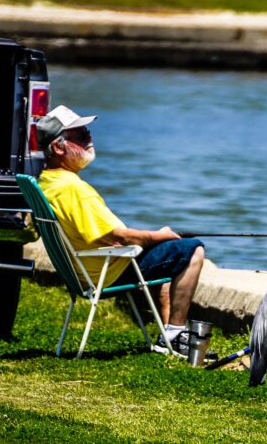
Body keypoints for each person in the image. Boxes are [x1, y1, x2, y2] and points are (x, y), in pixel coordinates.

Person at [36, 104, 205, 357]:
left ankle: (169, 337)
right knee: (191, 251)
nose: (89, 139)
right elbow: (119, 237)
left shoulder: (47, 182)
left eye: (88, 133)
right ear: (59, 148)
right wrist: (162, 234)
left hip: (86, 270)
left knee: (169, 252)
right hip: (107, 272)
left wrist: (155, 239)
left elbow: (106, 234)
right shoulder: (73, 190)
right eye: (81, 136)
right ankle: (176, 334)